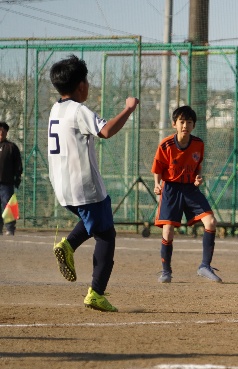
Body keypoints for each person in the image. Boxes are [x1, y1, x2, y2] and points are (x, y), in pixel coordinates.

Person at [48, 55, 139, 312]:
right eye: (87, 81)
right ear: (80, 85)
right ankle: (96, 293)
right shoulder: (78, 110)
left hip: (63, 188)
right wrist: (129, 109)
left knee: (95, 222)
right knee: (106, 235)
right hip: (85, 187)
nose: (88, 86)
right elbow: (106, 131)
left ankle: (68, 245)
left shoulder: (56, 109)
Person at [152, 105, 222, 284]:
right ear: (174, 124)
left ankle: (205, 266)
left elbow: (198, 166)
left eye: (189, 122)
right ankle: (166, 271)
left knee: (211, 222)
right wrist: (157, 184)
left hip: (190, 189)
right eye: (182, 122)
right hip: (171, 189)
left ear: (193, 125)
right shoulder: (166, 144)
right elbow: (158, 168)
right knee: (168, 231)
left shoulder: (198, 144)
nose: (185, 125)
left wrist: (198, 177)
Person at [0, 121, 23, 236]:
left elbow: (18, 164)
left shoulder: (11, 147)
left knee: (8, 207)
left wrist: (17, 177)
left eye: (3, 131)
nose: (1, 133)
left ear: (6, 133)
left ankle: (10, 228)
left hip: (6, 184)